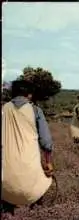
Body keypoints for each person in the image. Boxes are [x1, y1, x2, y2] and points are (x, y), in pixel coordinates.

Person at [1, 80, 54, 213]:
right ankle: (34, 216)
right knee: (38, 187)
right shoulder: (35, 110)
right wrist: (48, 162)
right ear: (29, 95)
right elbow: (46, 141)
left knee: (6, 202)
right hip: (29, 162)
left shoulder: (4, 108)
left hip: (5, 165)